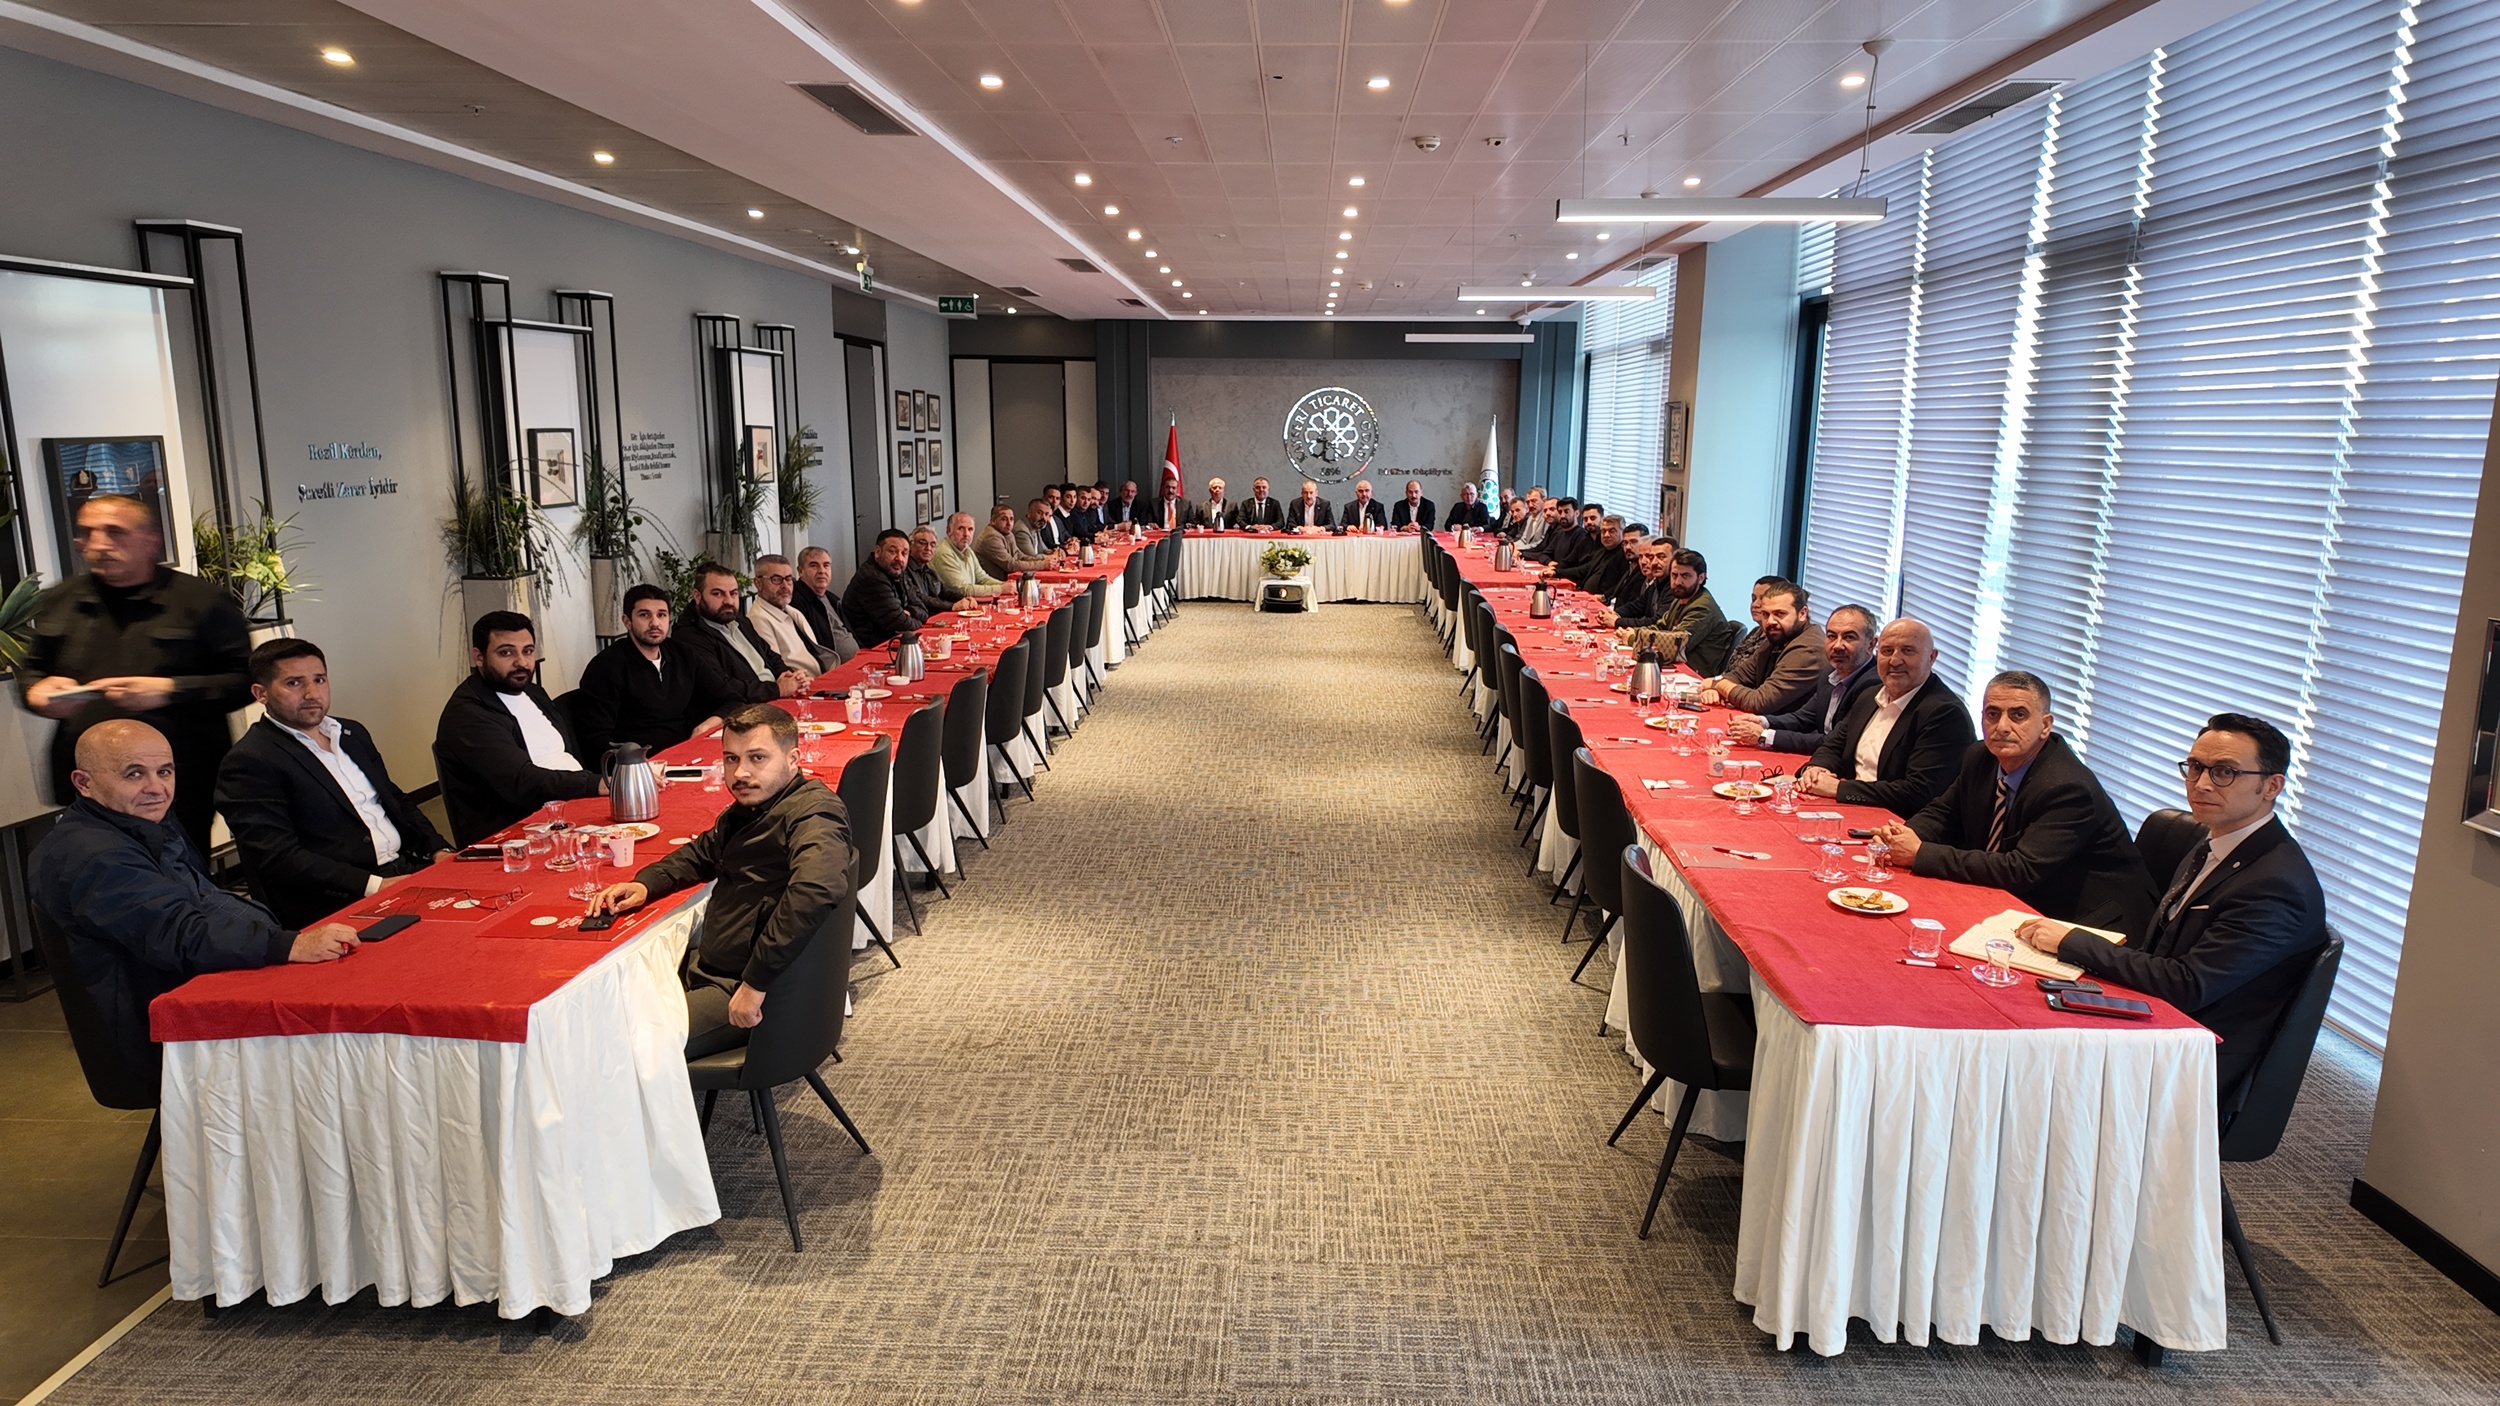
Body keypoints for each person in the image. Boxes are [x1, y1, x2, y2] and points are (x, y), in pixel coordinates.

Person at [2013, 712, 2330, 1100]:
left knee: (2026, 1067)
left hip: (2199, 1056)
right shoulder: (2215, 842)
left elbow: (2189, 985)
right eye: (2195, 767)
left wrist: (2072, 941)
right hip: (2160, 1016)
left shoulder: (2276, 884)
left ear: (2271, 786)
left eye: (2224, 772)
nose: (2201, 784)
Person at [33, 720, 361, 1083]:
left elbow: (204, 899)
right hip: (161, 1030)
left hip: (198, 987)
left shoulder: (141, 822)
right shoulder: (95, 856)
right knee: (348, 1047)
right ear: (83, 783)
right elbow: (181, 933)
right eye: (134, 774)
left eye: (165, 771)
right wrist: (286, 945)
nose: (156, 788)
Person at [590, 703, 852, 1052]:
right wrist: (645, 884)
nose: (740, 772)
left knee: (618, 1048)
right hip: (714, 966)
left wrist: (755, 984)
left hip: (749, 988)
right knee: (603, 1005)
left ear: (793, 760)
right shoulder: (751, 810)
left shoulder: (814, 812)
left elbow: (815, 890)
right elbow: (702, 853)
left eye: (757, 758)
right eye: (731, 758)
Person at [16, 494, 252, 854]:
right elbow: (32, 670)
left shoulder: (201, 601)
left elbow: (244, 681)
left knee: (176, 877)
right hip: (89, 784)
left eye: (115, 532)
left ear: (151, 540)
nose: (98, 544)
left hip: (177, 783)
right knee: (95, 874)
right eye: (87, 533)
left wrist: (170, 691)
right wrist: (37, 692)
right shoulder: (60, 600)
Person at [1872, 671, 2157, 935]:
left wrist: (1919, 853)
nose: (2002, 727)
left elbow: (2020, 869)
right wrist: (1903, 835)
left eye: (2018, 715)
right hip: (2019, 902)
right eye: (1992, 714)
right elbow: (1944, 813)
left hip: (2089, 923)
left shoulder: (2068, 787)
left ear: (2045, 725)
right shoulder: (1980, 757)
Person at [214, 640, 455, 928]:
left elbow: (395, 800)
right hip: (337, 899)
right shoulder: (250, 761)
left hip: (404, 869)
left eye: (319, 679)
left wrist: (438, 850)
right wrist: (376, 885)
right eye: (294, 683)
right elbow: (280, 858)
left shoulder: (351, 733)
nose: (312, 693)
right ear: (260, 693)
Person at [433, 610, 606, 845]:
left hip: (571, 807)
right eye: (506, 652)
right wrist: (594, 784)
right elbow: (521, 782)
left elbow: (564, 753)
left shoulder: (533, 692)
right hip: (518, 833)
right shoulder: (467, 715)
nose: (521, 663)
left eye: (528, 651)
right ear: (479, 657)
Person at [1797, 617, 1974, 818]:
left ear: (1931, 657)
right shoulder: (1869, 695)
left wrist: (1838, 789)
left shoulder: (1945, 714)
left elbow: (1918, 792)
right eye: (1887, 651)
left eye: (1908, 651)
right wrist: (1817, 769)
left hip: (1897, 822)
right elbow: (1834, 746)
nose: (1895, 661)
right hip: (1849, 809)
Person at [574, 584, 743, 760]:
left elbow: (733, 700)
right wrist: (636, 766)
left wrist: (705, 726)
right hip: (640, 764)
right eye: (644, 615)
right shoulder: (606, 666)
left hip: (686, 755)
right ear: (627, 621)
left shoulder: (683, 654)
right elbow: (594, 739)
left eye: (661, 615)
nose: (655, 623)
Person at [1730, 604, 1877, 755]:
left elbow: (1837, 742)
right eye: (1832, 636)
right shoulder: (1831, 670)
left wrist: (1764, 736)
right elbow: (1804, 718)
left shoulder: (1873, 685)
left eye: (1849, 637)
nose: (1837, 646)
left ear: (1871, 644)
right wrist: (1763, 721)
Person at [678, 562, 809, 702]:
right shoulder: (689, 636)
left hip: (773, 698)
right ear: (697, 596)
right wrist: (777, 689)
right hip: (745, 708)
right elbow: (720, 686)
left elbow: (770, 655)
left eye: (733, 593)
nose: (729, 601)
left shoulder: (740, 621)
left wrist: (787, 675)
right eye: (718, 594)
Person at [1701, 580, 1824, 715]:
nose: (1770, 621)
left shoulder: (1808, 650)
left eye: (1780, 614)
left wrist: (1718, 684)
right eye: (1766, 614)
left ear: (1802, 613)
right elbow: (1739, 675)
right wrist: (1720, 686)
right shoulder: (1778, 637)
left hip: (1788, 726)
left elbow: (1758, 703)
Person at [749, 553, 854, 671]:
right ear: (758, 583)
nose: (785, 586)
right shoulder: (758, 619)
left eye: (789, 579)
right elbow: (777, 669)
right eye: (776, 579)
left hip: (823, 673)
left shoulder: (792, 611)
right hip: (804, 680)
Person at [844, 529, 927, 647]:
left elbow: (923, 609)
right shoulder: (871, 578)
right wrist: (912, 618)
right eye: (892, 551)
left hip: (891, 640)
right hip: (872, 646)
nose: (899, 558)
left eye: (904, 553)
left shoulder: (897, 572)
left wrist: (909, 612)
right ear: (878, 551)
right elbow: (900, 623)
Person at [791, 547, 856, 661]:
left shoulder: (832, 599)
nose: (821, 571)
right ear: (800, 571)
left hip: (857, 659)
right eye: (814, 565)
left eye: (826, 565)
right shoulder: (796, 601)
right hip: (833, 667)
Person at [932, 512, 1009, 599]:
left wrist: (1005, 585)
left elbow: (982, 579)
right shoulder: (943, 553)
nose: (966, 534)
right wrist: (1001, 589)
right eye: (961, 529)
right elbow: (962, 590)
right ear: (948, 530)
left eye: (970, 529)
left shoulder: (967, 550)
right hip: (953, 605)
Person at [903, 526, 975, 616]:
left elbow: (944, 592)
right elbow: (919, 598)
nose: (928, 548)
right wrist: (951, 606)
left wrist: (965, 598)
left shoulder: (928, 570)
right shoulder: (904, 570)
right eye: (922, 543)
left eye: (933, 545)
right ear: (910, 545)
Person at [979, 503, 1060, 579]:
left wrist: (1045, 561)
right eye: (1004, 519)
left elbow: (1019, 556)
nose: (1009, 523)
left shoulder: (1007, 534)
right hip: (996, 583)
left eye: (1011, 519)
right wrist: (1042, 564)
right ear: (993, 520)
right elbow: (1011, 565)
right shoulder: (991, 537)